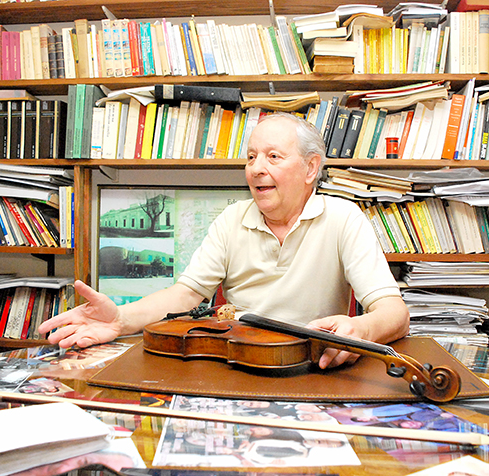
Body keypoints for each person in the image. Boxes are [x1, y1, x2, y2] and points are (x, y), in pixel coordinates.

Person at [39, 112, 409, 369]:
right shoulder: (232, 219)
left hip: (313, 367)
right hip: (238, 363)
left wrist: (360, 330)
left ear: (311, 168)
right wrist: (121, 319)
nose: (256, 168)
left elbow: (395, 314)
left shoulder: (344, 218)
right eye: (251, 157)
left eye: (273, 157)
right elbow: (184, 295)